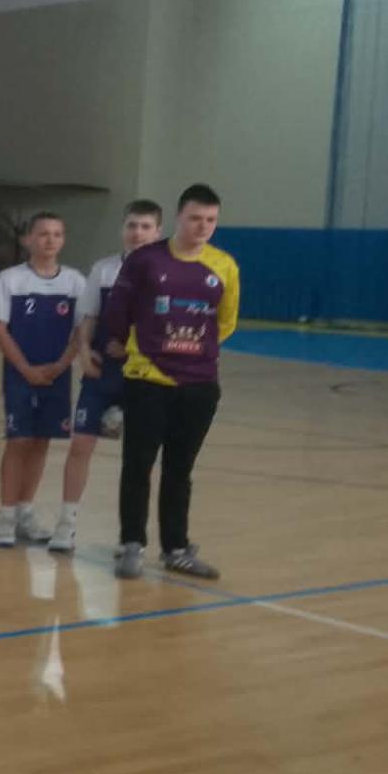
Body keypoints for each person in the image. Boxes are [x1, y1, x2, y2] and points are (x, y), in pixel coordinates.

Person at [105, 184, 236, 581]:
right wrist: (138, 345)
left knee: (180, 469)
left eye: (210, 220)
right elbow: (118, 311)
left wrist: (193, 352)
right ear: (179, 217)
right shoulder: (145, 260)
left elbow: (225, 321)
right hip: (147, 379)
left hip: (199, 384)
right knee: (138, 465)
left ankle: (176, 548)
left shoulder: (224, 266)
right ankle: (132, 544)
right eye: (195, 218)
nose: (203, 226)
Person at [55, 201, 165, 551]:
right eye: (132, 225)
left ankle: (129, 536)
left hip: (144, 376)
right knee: (81, 445)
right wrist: (85, 352)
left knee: (138, 459)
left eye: (145, 227)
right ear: (122, 228)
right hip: (103, 373)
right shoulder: (103, 270)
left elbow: (167, 328)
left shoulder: (167, 273)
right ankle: (66, 524)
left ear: (158, 232)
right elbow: (88, 316)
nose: (137, 233)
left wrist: (133, 348)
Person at [0, 213, 85, 549]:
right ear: (27, 239)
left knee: (42, 441)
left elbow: (81, 331)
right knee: (19, 441)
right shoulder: (10, 280)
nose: (50, 240)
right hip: (20, 374)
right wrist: (26, 368)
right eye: (43, 234)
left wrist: (61, 365)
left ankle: (26, 511)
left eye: (57, 234)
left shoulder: (74, 282)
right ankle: (6, 515)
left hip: (57, 376)